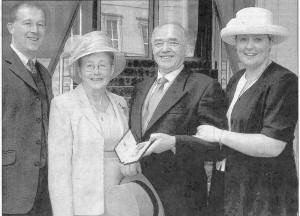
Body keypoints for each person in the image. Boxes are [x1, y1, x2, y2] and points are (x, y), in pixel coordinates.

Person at [195, 7, 298, 216]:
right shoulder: (236, 79)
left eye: (258, 39)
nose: (249, 46)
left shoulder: (283, 81)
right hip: (229, 182)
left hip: (264, 190)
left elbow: (273, 145)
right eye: (243, 39)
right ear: (236, 44)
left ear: (270, 43)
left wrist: (219, 135)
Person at [129, 23, 227, 216]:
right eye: (158, 43)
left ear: (187, 47)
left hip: (182, 198)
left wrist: (174, 142)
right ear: (151, 48)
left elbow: (217, 147)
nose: (164, 49)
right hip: (139, 191)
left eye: (172, 43)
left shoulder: (204, 86)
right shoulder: (141, 87)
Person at [47, 31, 141, 216]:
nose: (96, 72)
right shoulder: (63, 105)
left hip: (120, 198)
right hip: (84, 204)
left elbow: (128, 148)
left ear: (111, 69)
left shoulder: (120, 102)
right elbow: (59, 171)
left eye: (102, 65)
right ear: (79, 70)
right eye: (89, 66)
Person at [2, 2, 52, 215]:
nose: (35, 30)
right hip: (9, 187)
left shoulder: (43, 72)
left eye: (40, 24)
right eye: (28, 23)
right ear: (11, 27)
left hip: (44, 188)